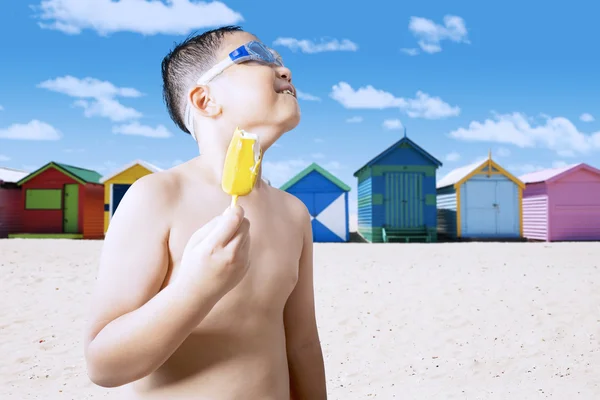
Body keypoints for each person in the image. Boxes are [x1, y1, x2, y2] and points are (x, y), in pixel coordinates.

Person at [83, 25, 327, 400]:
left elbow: (303, 345)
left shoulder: (293, 213)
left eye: (280, 60)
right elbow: (103, 364)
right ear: (204, 99)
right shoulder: (157, 195)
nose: (284, 70)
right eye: (257, 56)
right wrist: (195, 289)